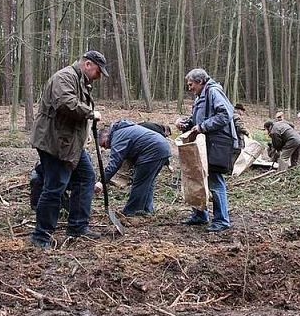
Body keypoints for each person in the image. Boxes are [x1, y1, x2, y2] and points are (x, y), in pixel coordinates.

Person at [30, 50, 109, 248]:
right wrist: (90, 113)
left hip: (70, 143)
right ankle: (41, 236)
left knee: (86, 177)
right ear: (88, 64)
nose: (99, 77)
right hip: (55, 142)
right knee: (55, 187)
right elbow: (65, 103)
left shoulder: (79, 80)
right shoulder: (64, 77)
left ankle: (77, 226)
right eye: (98, 72)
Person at [175, 68, 236, 232]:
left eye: (191, 84)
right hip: (205, 142)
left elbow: (225, 114)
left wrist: (202, 127)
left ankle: (222, 220)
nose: (189, 88)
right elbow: (199, 119)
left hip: (217, 143)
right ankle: (200, 215)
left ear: (200, 81)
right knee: (198, 176)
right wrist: (187, 124)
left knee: (215, 180)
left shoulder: (214, 92)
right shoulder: (201, 96)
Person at [95, 120, 171, 217]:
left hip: (154, 150)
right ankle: (147, 209)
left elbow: (114, 163)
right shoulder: (123, 131)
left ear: (105, 136)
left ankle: (130, 212)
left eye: (103, 144)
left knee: (139, 182)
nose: (105, 148)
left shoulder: (117, 137)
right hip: (162, 147)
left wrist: (102, 181)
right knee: (148, 181)